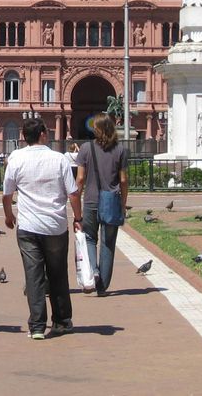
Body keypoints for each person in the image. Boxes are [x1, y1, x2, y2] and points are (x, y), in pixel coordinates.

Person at [2, 117, 82, 340]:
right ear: (43, 135)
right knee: (57, 274)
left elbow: (7, 193)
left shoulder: (16, 159)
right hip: (55, 225)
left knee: (33, 275)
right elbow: (73, 193)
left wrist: (9, 216)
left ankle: (37, 326)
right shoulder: (59, 159)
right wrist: (78, 217)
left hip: (28, 226)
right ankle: (62, 321)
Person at [75, 116, 129, 296]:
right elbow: (123, 180)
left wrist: (76, 197)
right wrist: (123, 203)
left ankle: (94, 272)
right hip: (111, 202)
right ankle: (102, 287)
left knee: (90, 239)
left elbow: (80, 178)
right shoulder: (120, 150)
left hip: (90, 201)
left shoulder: (85, 148)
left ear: (96, 130)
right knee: (108, 243)